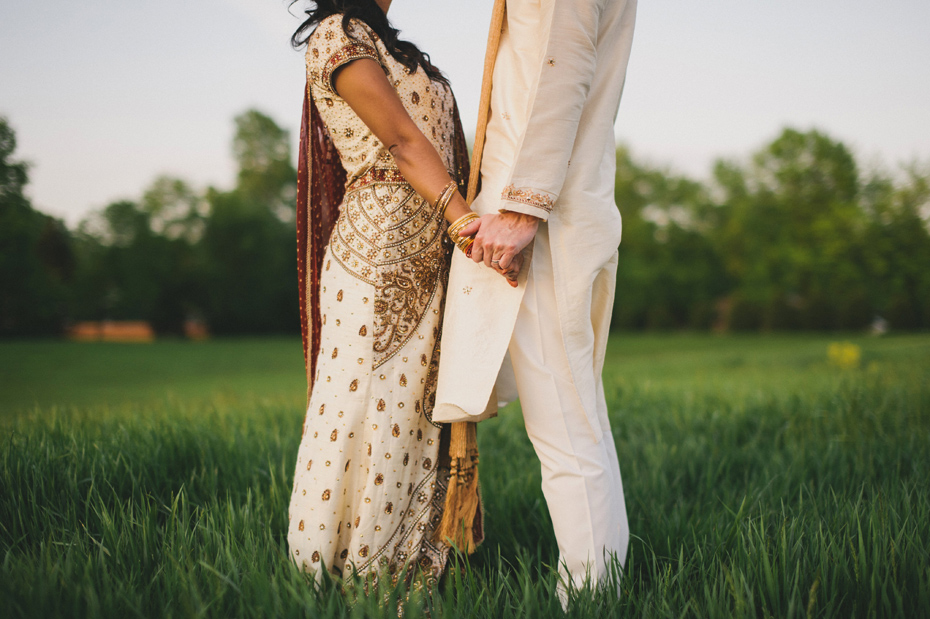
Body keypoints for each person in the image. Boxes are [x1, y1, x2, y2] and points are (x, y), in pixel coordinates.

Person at [286, 0, 510, 585]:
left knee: (416, 408)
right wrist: (468, 225)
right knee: (361, 403)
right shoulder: (337, 35)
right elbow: (403, 141)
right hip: (378, 246)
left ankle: (411, 564)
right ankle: (338, 570)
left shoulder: (395, 45)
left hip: (432, 244)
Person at [433, 0, 639, 600]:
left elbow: (560, 65)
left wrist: (523, 207)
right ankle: (603, 589)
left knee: (567, 429)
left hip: (544, 226)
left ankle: (591, 597)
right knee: (578, 420)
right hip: (565, 211)